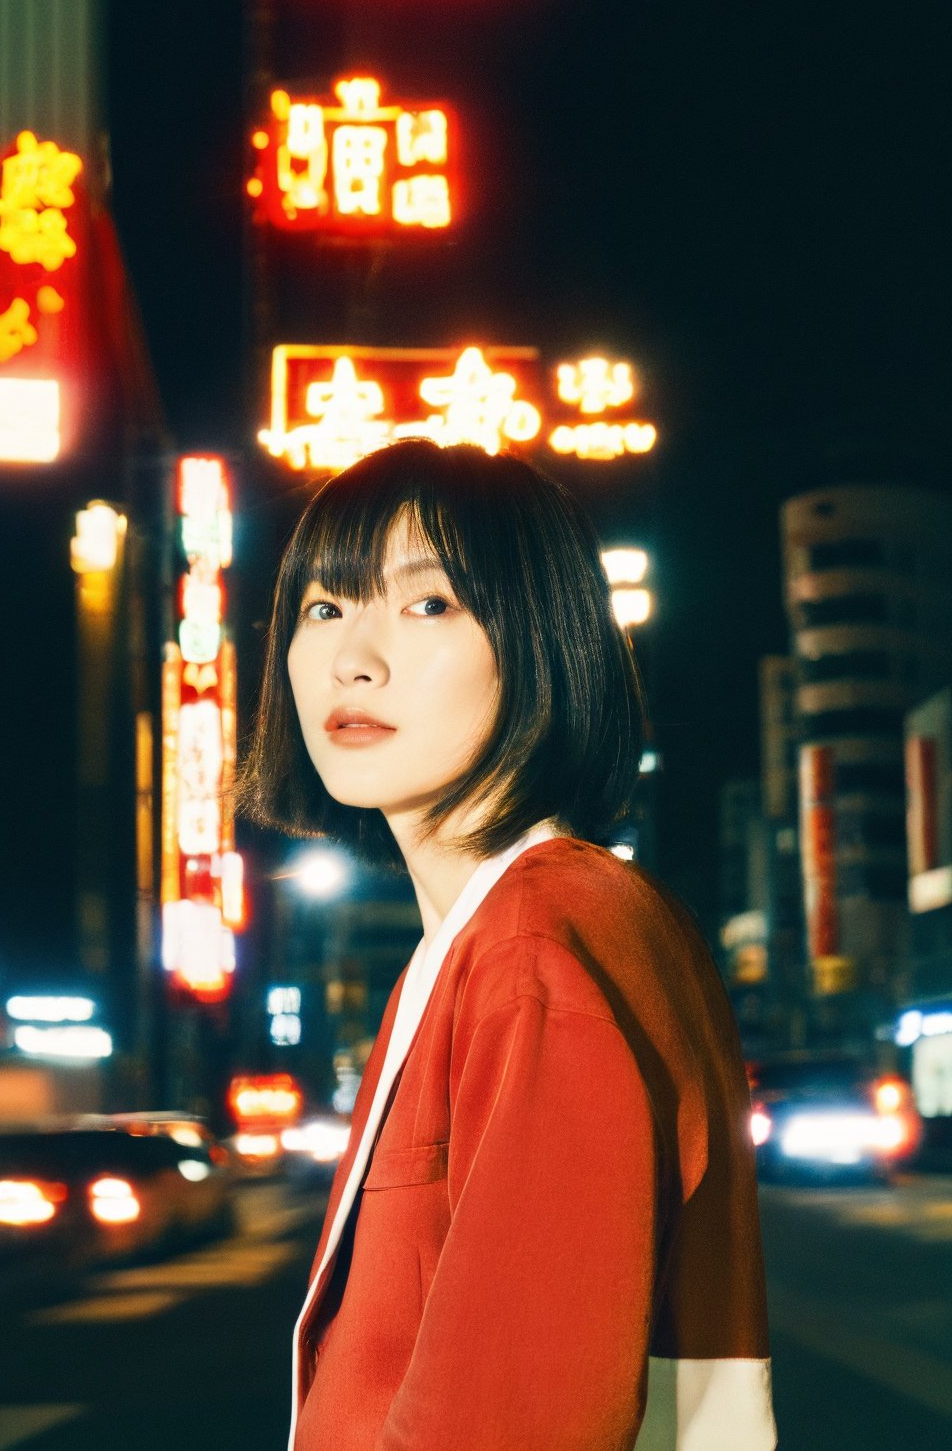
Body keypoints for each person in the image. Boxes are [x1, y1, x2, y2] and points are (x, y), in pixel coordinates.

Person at [240, 439, 776, 1451]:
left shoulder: (537, 942)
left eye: (427, 602)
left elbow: (510, 1422)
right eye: (323, 606)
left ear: (537, 639)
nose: (354, 653)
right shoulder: (498, 936)